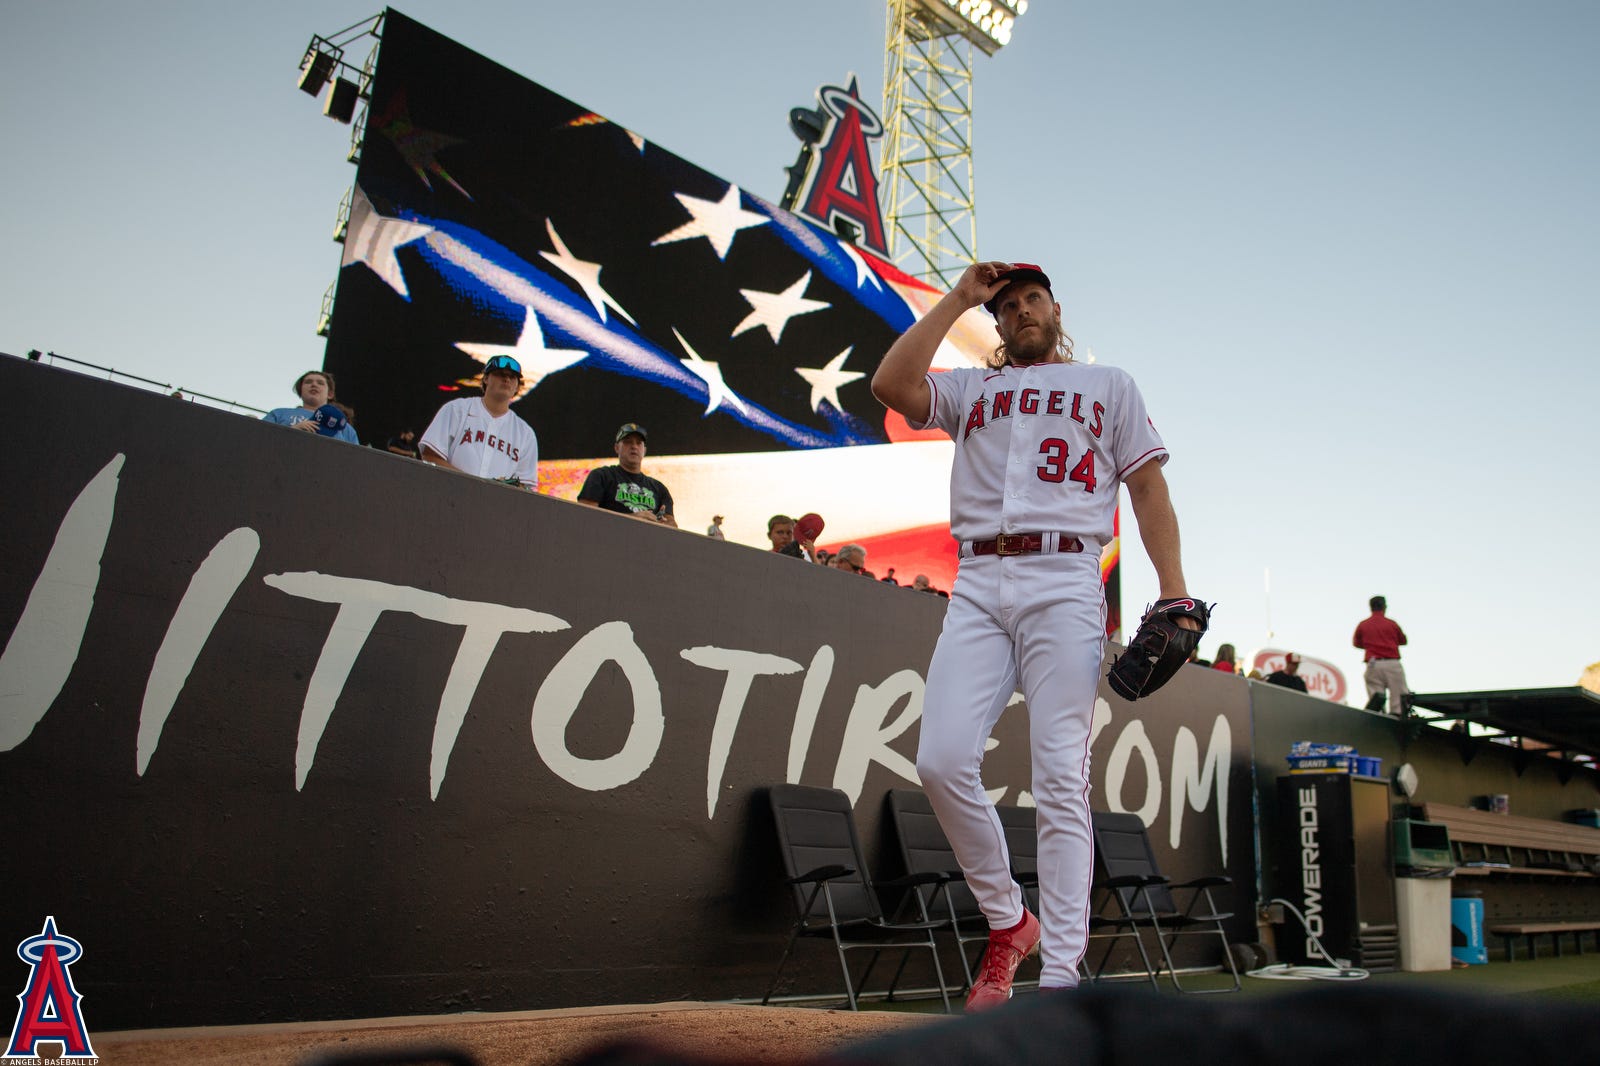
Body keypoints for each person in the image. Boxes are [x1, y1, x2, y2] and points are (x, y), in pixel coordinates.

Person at [870, 260, 1198, 1009]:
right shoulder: (969, 389)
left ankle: (1059, 981)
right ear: (995, 322)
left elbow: (1147, 486)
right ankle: (1009, 920)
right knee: (941, 759)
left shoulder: (1108, 383)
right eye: (1007, 304)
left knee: (1058, 777)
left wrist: (1174, 588)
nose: (1020, 310)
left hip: (1066, 578)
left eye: (1031, 299)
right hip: (979, 582)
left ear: (1055, 308)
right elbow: (890, 387)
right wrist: (958, 298)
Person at [418, 355, 539, 489]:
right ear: (486, 379)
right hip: (448, 496)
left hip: (495, 506)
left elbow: (526, 486)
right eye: (500, 374)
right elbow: (430, 455)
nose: (506, 379)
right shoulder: (457, 409)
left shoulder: (525, 434)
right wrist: (473, 486)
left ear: (517, 386)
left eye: (512, 377)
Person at [577, 423, 676, 526]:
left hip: (647, 540)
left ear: (644, 450)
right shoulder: (601, 476)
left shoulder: (660, 489)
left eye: (639, 443)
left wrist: (661, 524)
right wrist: (631, 519)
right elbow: (584, 517)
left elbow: (672, 526)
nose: (634, 446)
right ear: (616, 448)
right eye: (628, 442)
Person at [262, 370, 360, 444]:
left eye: (320, 383)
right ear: (300, 391)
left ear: (330, 394)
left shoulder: (345, 428)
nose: (314, 385)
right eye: (308, 382)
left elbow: (354, 459)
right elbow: (260, 439)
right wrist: (292, 431)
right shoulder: (279, 414)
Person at [1354, 595, 1410, 714]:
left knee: (1376, 696)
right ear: (1384, 607)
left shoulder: (1363, 624)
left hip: (1373, 663)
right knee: (1398, 697)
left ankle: (1378, 716)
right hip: (1391, 662)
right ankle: (1396, 716)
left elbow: (1356, 643)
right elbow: (1403, 641)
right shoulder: (1391, 624)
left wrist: (1372, 645)